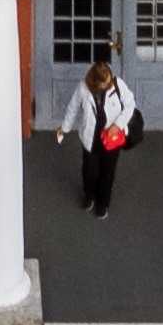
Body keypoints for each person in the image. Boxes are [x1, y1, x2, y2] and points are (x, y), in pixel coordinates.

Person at [59, 53, 139, 218]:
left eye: (108, 81)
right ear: (94, 82)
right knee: (89, 170)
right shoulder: (83, 89)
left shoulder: (117, 84)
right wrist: (65, 128)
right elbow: (73, 108)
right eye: (104, 83)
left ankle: (103, 201)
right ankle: (89, 194)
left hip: (111, 137)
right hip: (92, 137)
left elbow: (130, 105)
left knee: (108, 171)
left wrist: (118, 125)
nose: (108, 85)